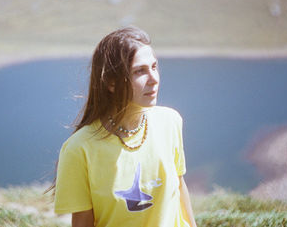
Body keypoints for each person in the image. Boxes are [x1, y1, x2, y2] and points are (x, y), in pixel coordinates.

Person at [51, 26, 197, 227]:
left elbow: (178, 187)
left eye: (154, 67)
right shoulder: (79, 149)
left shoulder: (170, 121)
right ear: (111, 82)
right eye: (140, 71)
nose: (153, 79)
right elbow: (82, 222)